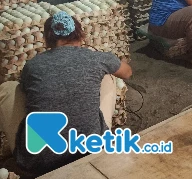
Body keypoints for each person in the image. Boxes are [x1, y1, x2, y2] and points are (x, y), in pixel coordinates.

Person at [0, 12, 132, 176]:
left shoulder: (32, 65)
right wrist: (116, 61)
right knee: (108, 77)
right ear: (80, 34)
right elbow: (127, 73)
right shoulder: (97, 58)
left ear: (48, 39)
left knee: (9, 88)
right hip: (90, 151)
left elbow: (29, 94)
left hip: (39, 165)